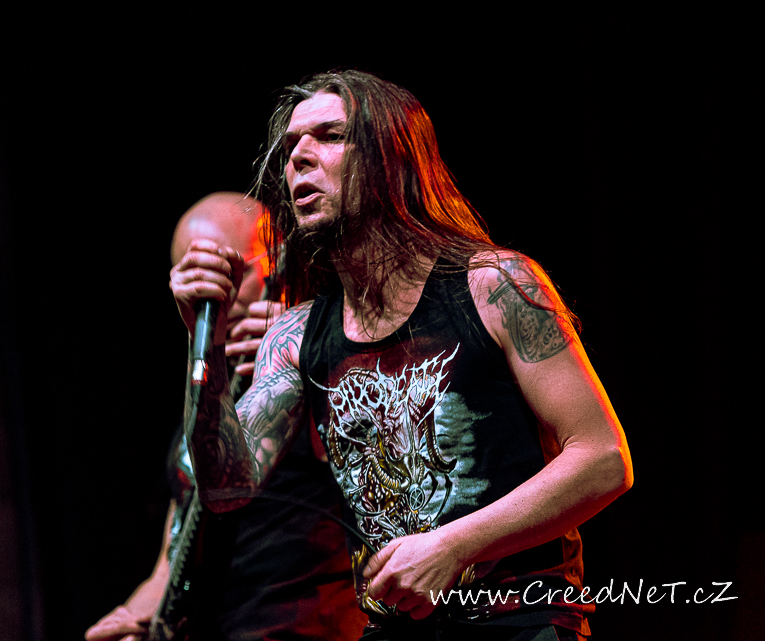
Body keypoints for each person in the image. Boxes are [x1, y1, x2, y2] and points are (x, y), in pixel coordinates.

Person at [170, 71, 633, 640]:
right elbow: (225, 488)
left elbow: (603, 457)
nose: (299, 158)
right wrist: (204, 343)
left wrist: (452, 545)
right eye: (290, 147)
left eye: (331, 135)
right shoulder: (295, 336)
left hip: (518, 620)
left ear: (391, 160)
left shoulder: (493, 285)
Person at [87, 192, 366, 641]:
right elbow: (171, 562)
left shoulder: (326, 355)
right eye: (194, 274)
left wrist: (301, 353)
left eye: (231, 270)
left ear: (277, 262)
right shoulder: (201, 397)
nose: (213, 291)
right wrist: (129, 618)